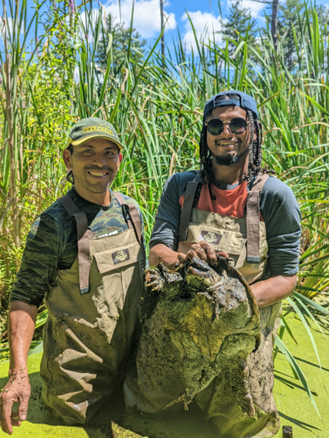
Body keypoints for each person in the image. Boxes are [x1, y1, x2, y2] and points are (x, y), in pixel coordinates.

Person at [124, 91, 301, 437]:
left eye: (237, 122)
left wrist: (232, 297)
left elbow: (285, 277)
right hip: (178, 320)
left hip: (241, 331)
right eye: (216, 124)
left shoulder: (276, 196)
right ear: (206, 133)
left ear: (253, 129)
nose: (226, 131)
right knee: (143, 407)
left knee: (245, 425)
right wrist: (187, 263)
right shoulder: (182, 186)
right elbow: (159, 249)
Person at [0, 117, 146, 434]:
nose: (99, 161)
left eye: (109, 152)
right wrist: (18, 374)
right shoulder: (53, 224)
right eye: (87, 151)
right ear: (68, 157)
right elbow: (24, 299)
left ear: (119, 159)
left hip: (133, 377)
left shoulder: (131, 211)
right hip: (76, 387)